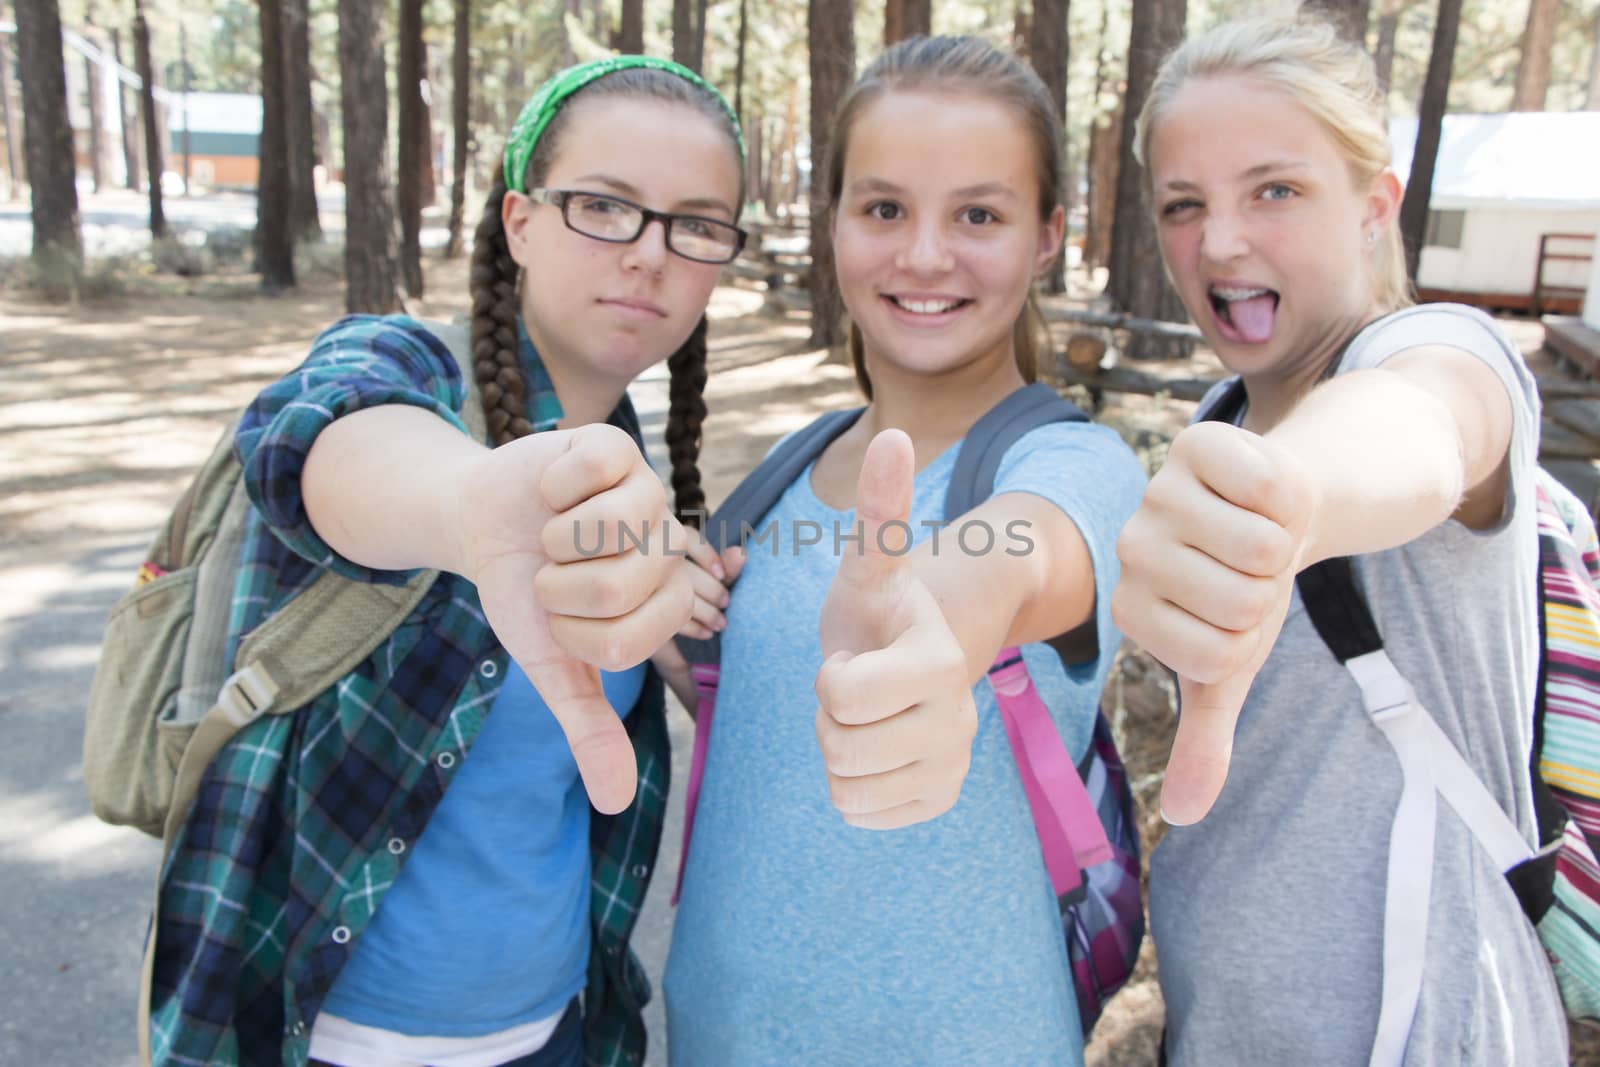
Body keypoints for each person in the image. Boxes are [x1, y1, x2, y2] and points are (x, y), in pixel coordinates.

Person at [146, 57, 746, 1067]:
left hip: (556, 1027)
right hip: (317, 1030)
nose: (649, 254)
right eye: (604, 205)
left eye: (695, 223)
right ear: (519, 221)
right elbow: (316, 433)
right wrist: (470, 506)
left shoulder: (630, 468)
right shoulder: (409, 368)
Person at [659, 35, 1146, 1066]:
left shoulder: (1073, 465)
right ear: (832, 222)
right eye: (884, 209)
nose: (924, 255)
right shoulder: (781, 477)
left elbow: (1020, 553)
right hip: (717, 1029)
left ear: (1047, 234)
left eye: (977, 214)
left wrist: (950, 603)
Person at [1110, 15, 1568, 1064]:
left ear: (1373, 205)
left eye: (1272, 189)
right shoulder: (1221, 421)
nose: (1218, 242)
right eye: (1184, 205)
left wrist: (1289, 500)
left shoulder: (1440, 351)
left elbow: (1420, 429)